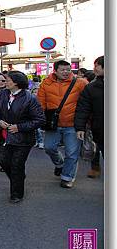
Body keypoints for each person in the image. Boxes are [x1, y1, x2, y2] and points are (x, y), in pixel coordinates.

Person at [0, 71, 45, 203]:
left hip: (23, 139)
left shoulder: (29, 98)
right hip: (5, 135)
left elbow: (40, 120)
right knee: (3, 161)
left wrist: (19, 127)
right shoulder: (3, 94)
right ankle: (18, 178)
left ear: (16, 82)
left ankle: (17, 193)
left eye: (7, 80)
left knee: (16, 165)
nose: (4, 82)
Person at [37, 60, 88, 188]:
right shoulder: (46, 84)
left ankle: (67, 177)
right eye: (62, 70)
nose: (66, 72)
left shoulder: (80, 83)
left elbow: (87, 102)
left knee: (71, 153)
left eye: (68, 70)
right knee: (49, 147)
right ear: (55, 70)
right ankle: (59, 163)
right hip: (53, 124)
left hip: (73, 125)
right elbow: (40, 104)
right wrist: (40, 120)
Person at [74, 56, 104, 178]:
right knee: (97, 149)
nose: (94, 68)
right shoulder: (91, 87)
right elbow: (83, 108)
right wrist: (80, 127)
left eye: (96, 65)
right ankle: (95, 167)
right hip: (99, 128)